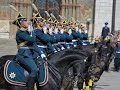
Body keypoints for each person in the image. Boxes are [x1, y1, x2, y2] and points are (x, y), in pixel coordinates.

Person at [13, 13, 45, 90]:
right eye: (25, 21)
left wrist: (41, 53)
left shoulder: (28, 32)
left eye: (26, 20)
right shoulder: (20, 33)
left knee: (43, 65)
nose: (27, 22)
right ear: (20, 24)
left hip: (32, 54)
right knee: (34, 70)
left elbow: (34, 44)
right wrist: (32, 32)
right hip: (23, 55)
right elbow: (33, 39)